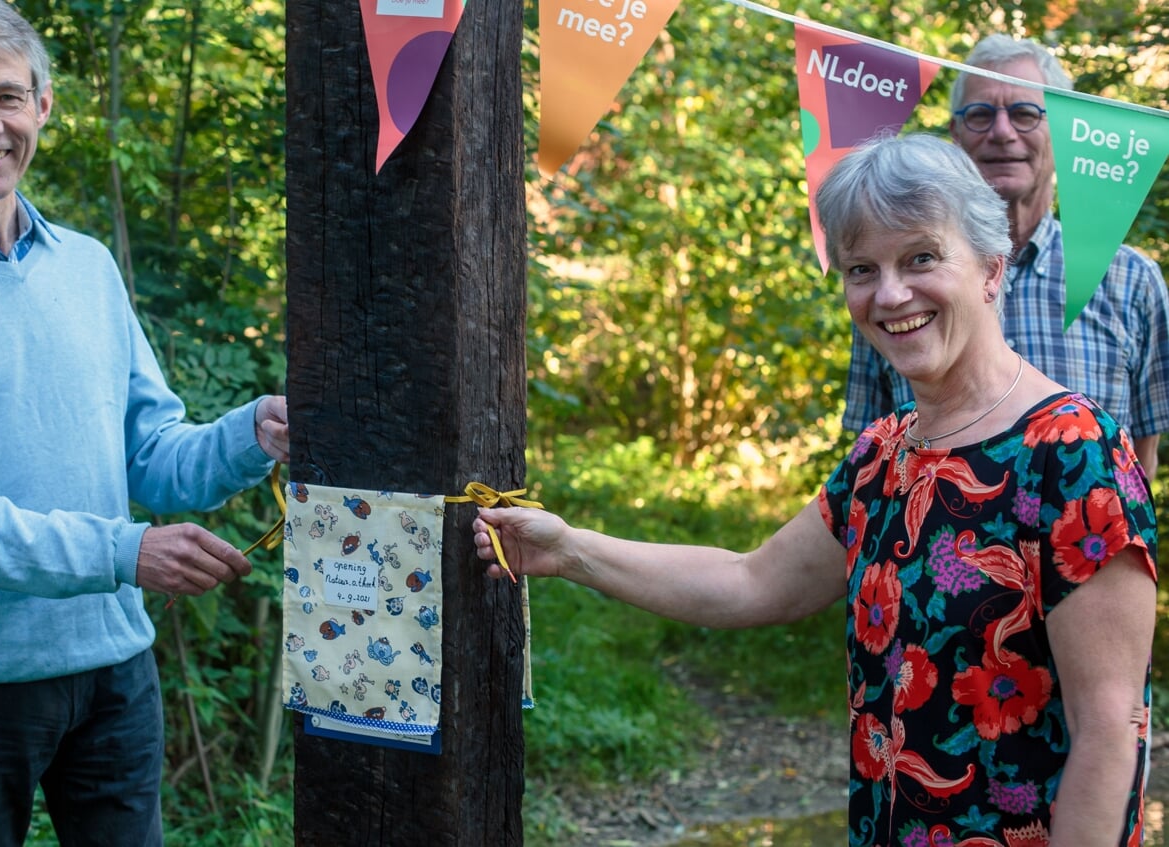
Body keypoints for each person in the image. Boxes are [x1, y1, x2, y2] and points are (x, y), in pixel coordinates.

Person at [475, 135, 1156, 845]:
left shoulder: (1074, 453)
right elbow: (749, 580)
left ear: (989, 268)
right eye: (862, 268)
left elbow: (1110, 731)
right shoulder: (883, 455)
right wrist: (568, 551)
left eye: (920, 257)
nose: (889, 294)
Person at [0, 0, 289, 843]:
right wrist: (123, 551)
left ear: (43, 105)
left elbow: (148, 457)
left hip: (116, 670)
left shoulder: (88, 266)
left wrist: (252, 431)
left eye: (6, 97)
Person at [843, 34, 1169, 481]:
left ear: (1063, 132)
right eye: (979, 115)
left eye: (1024, 113)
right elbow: (870, 459)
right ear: (956, 134)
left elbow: (1143, 462)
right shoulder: (895, 292)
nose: (1001, 131)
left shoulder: (1131, 280)